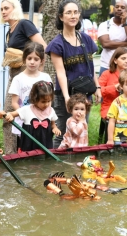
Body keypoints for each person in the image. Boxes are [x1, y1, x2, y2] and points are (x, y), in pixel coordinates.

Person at [45, 0, 101, 148]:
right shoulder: (57, 44)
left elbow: (91, 66)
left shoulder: (86, 39)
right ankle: (57, 168)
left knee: (81, 131)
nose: (73, 15)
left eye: (76, 12)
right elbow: (60, 72)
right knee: (62, 134)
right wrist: (66, 98)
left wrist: (98, 87)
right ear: (61, 17)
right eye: (68, 12)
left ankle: (77, 166)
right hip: (66, 94)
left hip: (84, 95)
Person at [0, 0, 47, 155]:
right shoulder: (9, 30)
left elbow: (42, 47)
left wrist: (38, 72)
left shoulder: (24, 24)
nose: (3, 11)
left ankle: (29, 152)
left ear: (15, 8)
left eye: (6, 8)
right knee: (10, 115)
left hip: (27, 76)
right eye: (1, 9)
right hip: (15, 76)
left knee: (31, 114)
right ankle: (11, 154)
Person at [8, 42, 52, 152]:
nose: (32, 62)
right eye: (29, 58)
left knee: (43, 149)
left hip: (43, 122)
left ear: (42, 61)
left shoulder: (46, 77)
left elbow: (49, 100)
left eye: (36, 59)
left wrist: (46, 114)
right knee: (25, 150)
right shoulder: (18, 79)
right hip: (25, 123)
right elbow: (14, 102)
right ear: (24, 59)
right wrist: (25, 114)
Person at [5, 81, 61, 152]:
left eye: (49, 101)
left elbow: (53, 124)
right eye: (43, 102)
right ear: (35, 99)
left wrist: (55, 128)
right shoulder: (27, 109)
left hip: (46, 145)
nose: (46, 104)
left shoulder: (51, 111)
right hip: (29, 146)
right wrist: (9, 116)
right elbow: (11, 114)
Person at [97, 0, 127, 75]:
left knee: (126, 86)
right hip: (107, 67)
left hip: (125, 68)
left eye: (122, 7)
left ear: (126, 11)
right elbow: (106, 44)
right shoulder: (104, 25)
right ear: (113, 9)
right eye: (117, 7)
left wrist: (125, 24)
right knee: (105, 87)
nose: (119, 9)